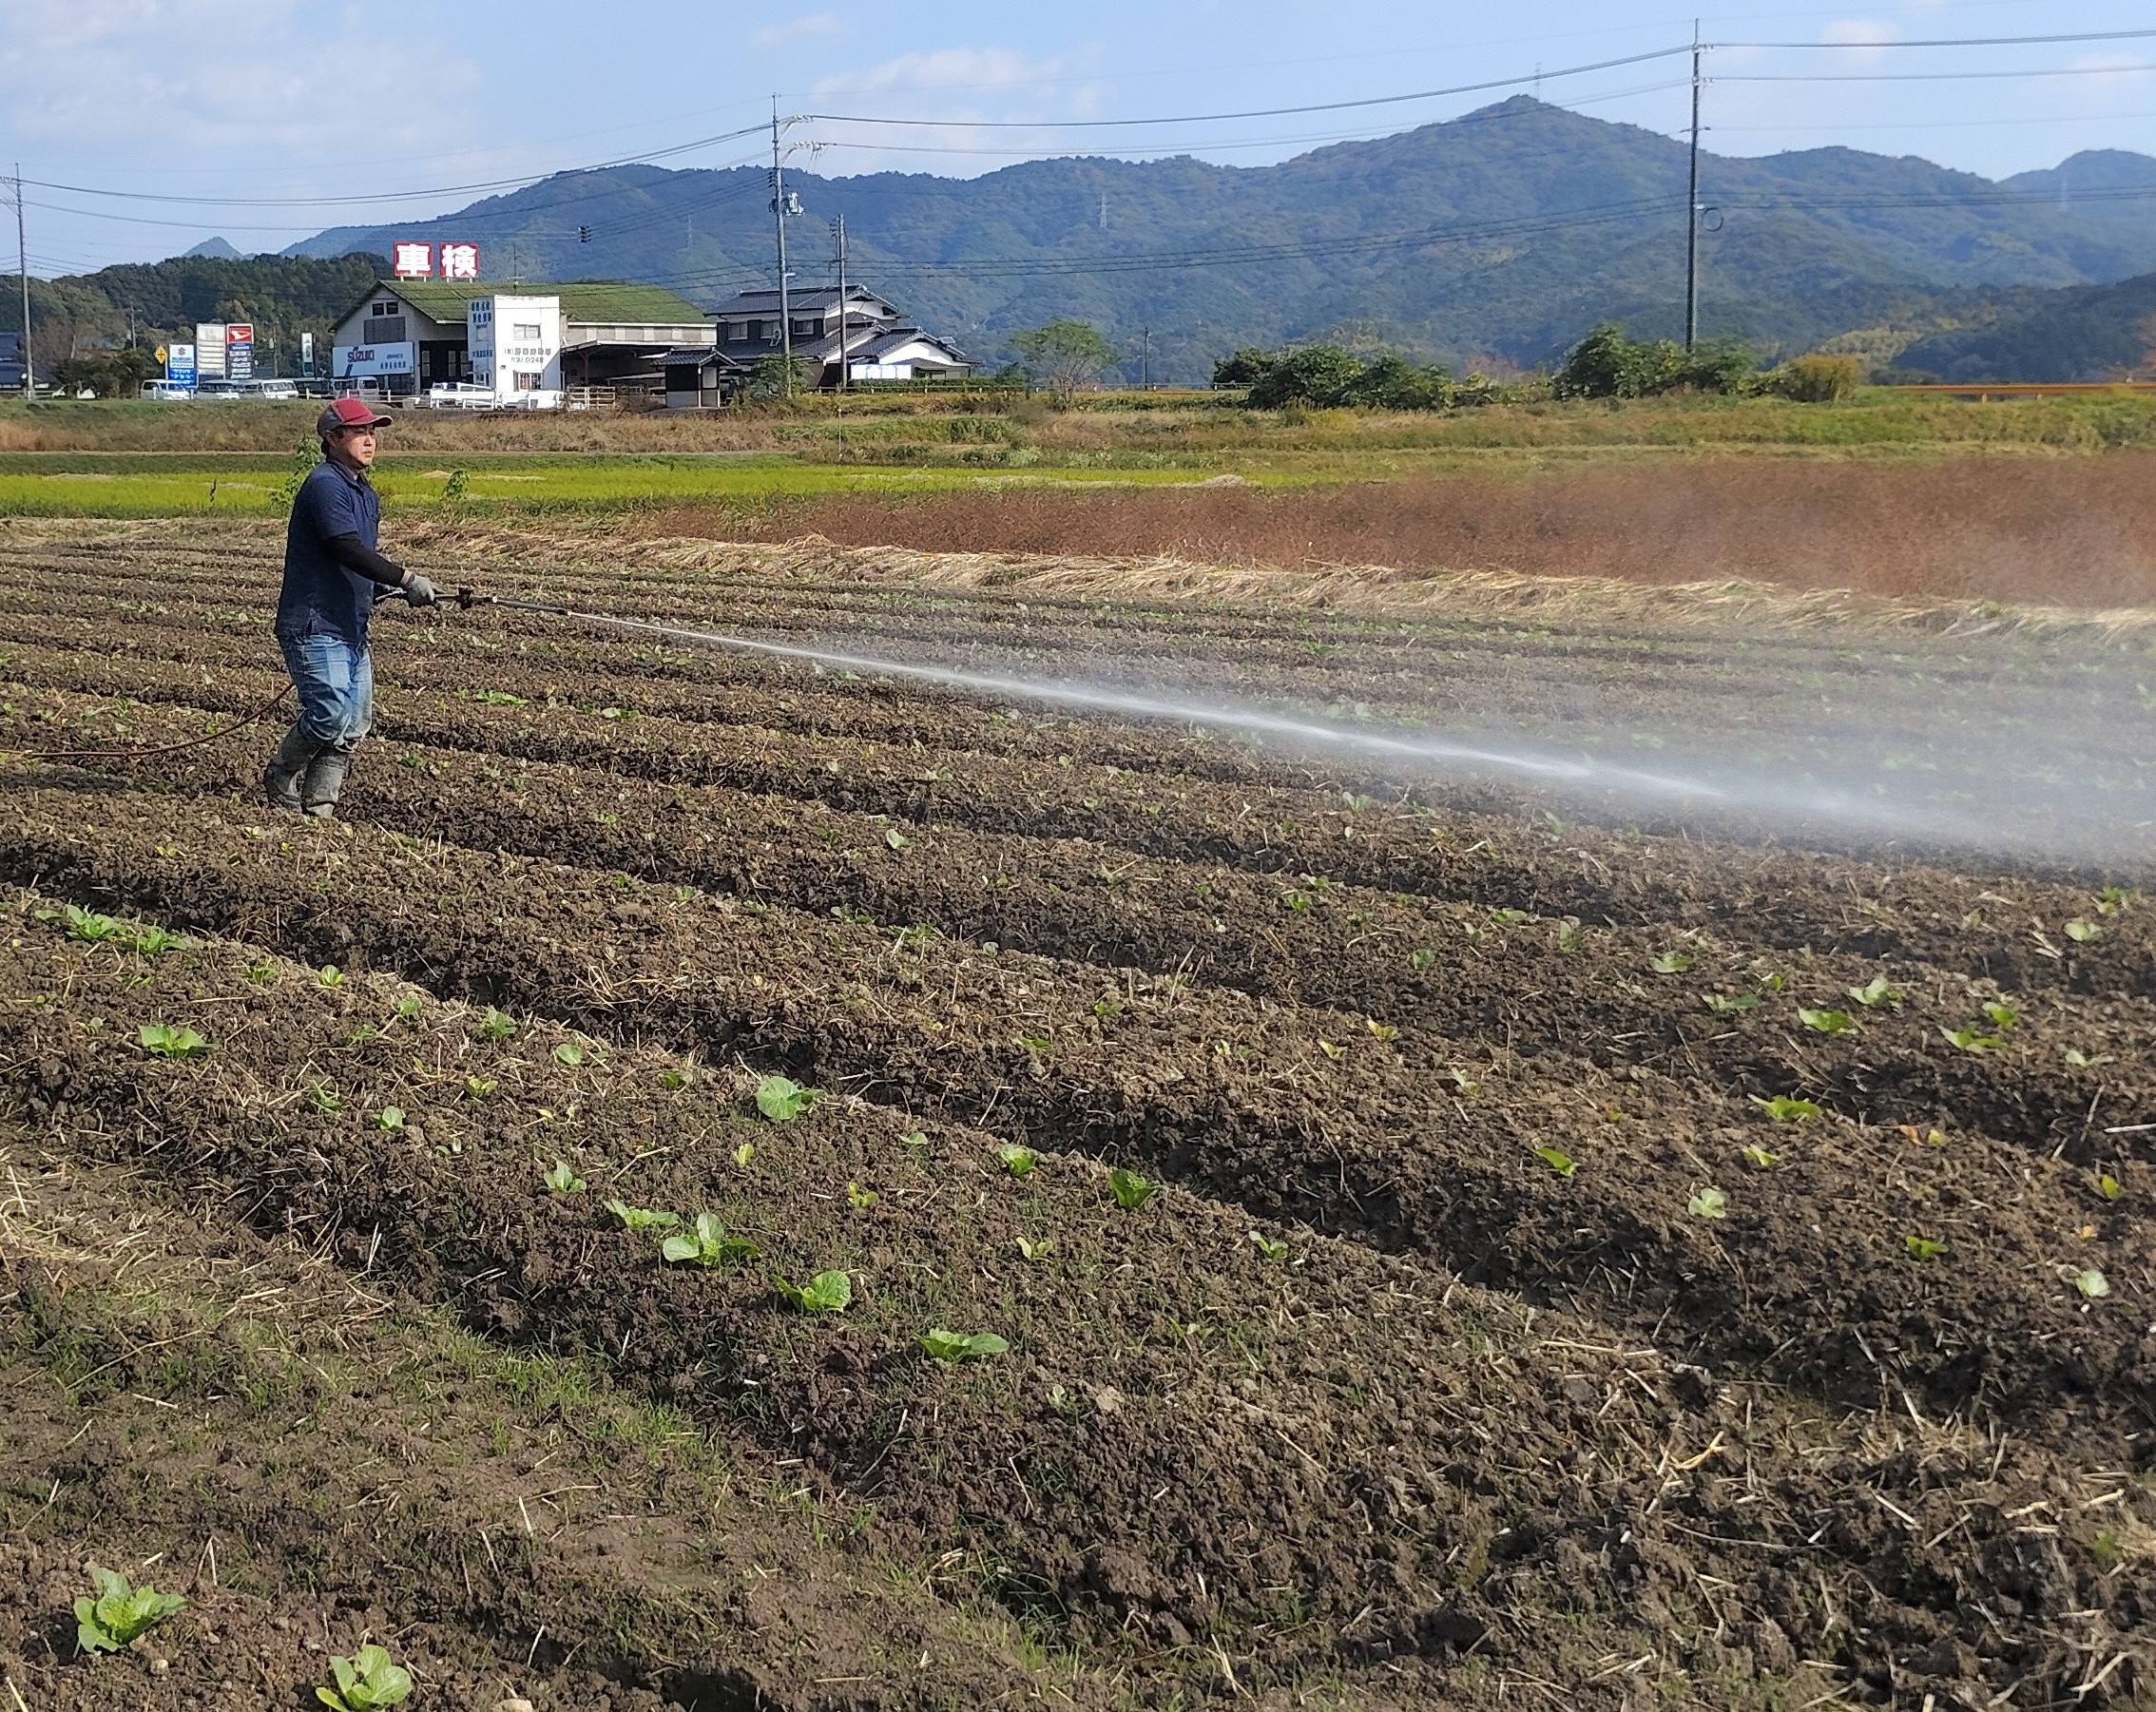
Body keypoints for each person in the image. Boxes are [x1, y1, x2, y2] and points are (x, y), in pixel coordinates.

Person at [263, 396, 438, 817]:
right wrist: (406, 578)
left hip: (351, 624)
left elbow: (360, 557)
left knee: (353, 724)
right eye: (360, 431)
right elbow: (344, 548)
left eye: (372, 432)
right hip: (314, 622)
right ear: (332, 437)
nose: (370, 440)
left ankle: (320, 807)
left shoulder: (364, 493)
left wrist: (383, 590)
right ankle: (281, 773)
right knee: (328, 714)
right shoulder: (325, 484)